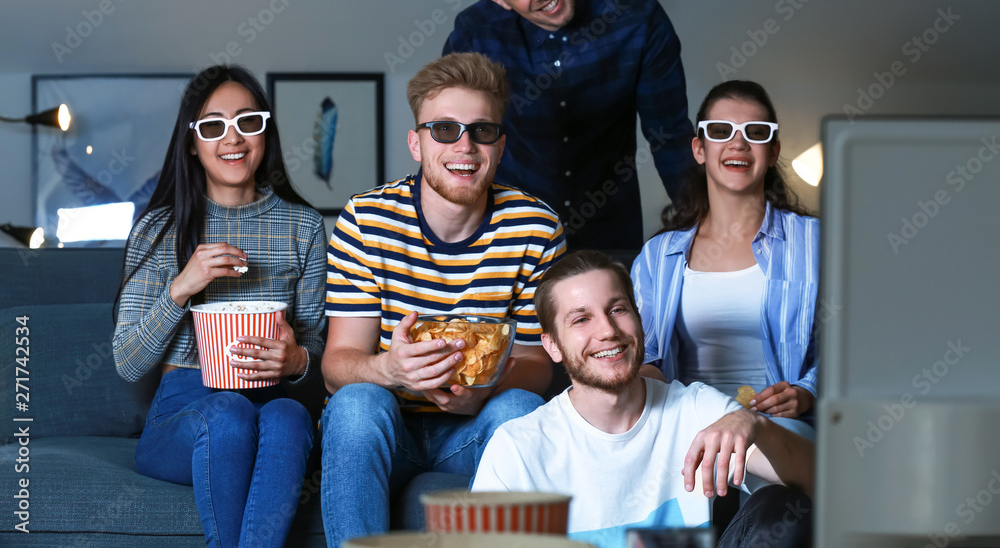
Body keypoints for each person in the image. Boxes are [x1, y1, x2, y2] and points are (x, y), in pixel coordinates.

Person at [319, 52, 566, 546]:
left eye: (482, 131)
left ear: (500, 145)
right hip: (388, 428)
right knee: (356, 403)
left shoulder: (535, 227)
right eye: (445, 130)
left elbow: (539, 363)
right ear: (416, 142)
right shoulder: (366, 222)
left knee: (518, 404)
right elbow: (337, 363)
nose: (465, 146)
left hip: (476, 429)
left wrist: (486, 386)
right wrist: (389, 369)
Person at [113, 65, 326, 548]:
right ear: (192, 143)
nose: (233, 138)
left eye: (247, 121)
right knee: (228, 411)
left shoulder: (303, 227)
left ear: (264, 133)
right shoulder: (159, 230)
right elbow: (128, 364)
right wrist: (182, 286)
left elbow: (319, 350)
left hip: (274, 403)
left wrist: (297, 361)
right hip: (184, 411)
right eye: (213, 126)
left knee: (290, 417)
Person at [473, 250, 814, 548]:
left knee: (784, 506)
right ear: (552, 346)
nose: (607, 330)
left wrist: (756, 425)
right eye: (581, 319)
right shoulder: (516, 449)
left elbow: (825, 483)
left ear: (639, 321)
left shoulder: (695, 409)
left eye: (617, 309)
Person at [443, 0, 694, 251]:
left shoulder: (636, 15)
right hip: (505, 234)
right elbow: (451, 146)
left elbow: (670, 137)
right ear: (498, 0)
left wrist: (706, 227)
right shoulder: (474, 35)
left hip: (610, 231)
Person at [631, 80, 819, 435]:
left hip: (781, 429)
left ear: (773, 150)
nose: (738, 143)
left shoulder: (815, 241)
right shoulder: (659, 256)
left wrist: (806, 391)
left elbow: (849, 345)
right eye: (720, 131)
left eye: (755, 132)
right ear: (699, 148)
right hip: (686, 426)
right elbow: (647, 356)